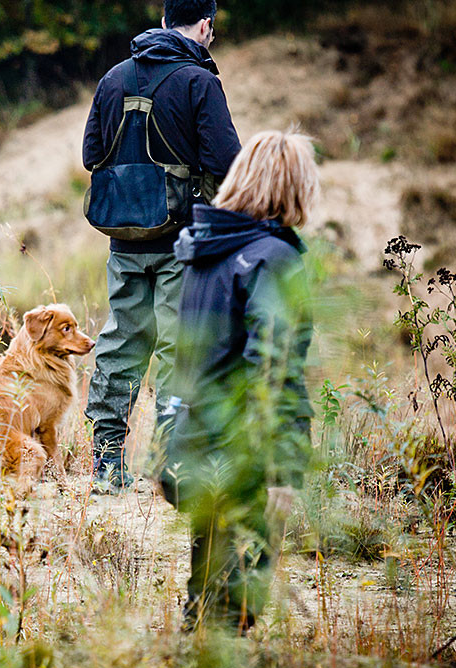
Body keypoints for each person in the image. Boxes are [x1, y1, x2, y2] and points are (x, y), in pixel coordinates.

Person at [160, 130, 320, 632]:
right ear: (293, 187)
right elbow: (271, 369)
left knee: (206, 595)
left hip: (192, 443)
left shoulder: (206, 252)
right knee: (235, 606)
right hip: (243, 453)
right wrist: (280, 469)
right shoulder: (273, 259)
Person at [82, 0, 241, 493]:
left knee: (121, 340)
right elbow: (227, 163)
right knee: (179, 346)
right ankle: (169, 465)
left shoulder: (113, 78)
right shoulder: (199, 82)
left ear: (165, 17)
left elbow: (91, 155)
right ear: (206, 25)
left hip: (124, 238)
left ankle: (106, 465)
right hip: (182, 241)